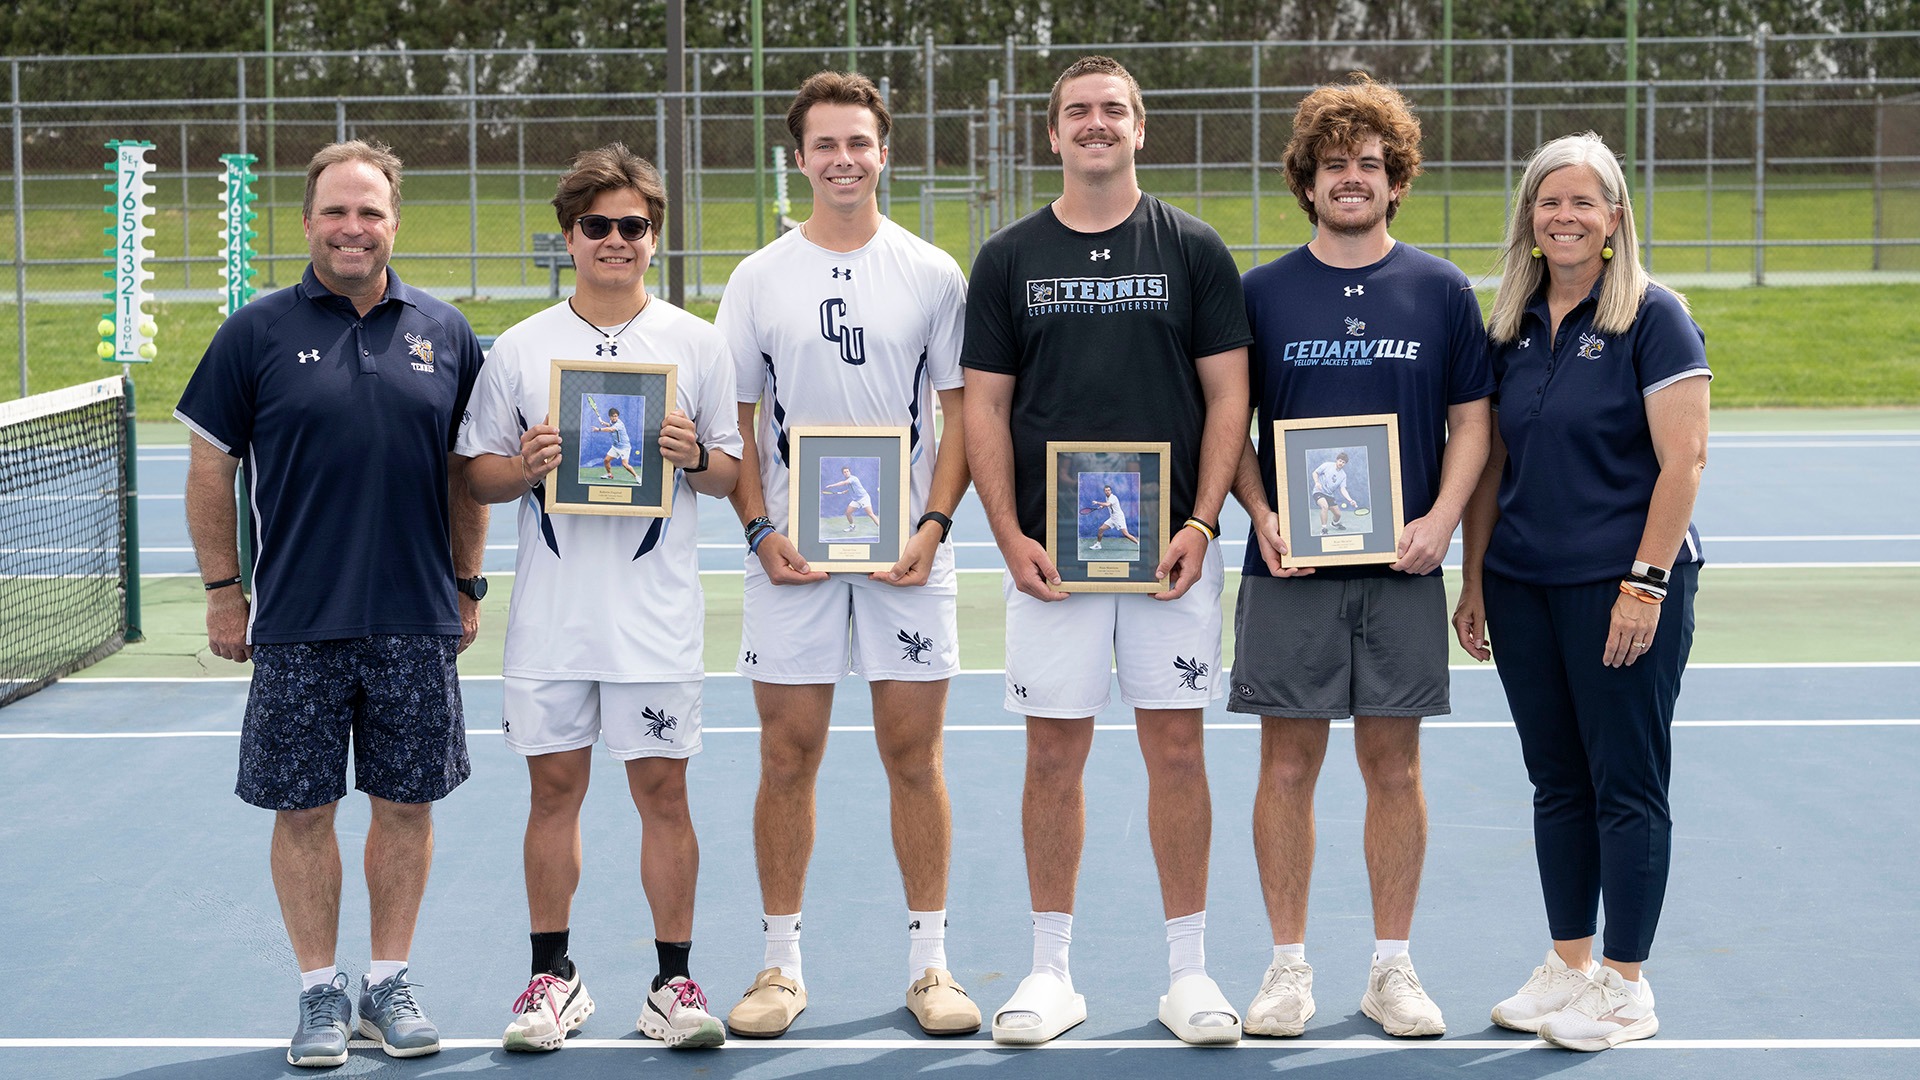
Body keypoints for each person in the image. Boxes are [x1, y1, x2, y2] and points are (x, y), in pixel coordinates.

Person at [175, 139, 489, 1068]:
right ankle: (321, 996)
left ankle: (388, 982)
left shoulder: (448, 328)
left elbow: (464, 476)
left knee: (405, 807)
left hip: (414, 616)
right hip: (298, 623)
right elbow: (209, 467)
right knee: (303, 812)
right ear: (308, 222)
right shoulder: (255, 332)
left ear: (395, 222)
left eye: (371, 212)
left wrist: (468, 584)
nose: (354, 228)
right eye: (336, 212)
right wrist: (224, 592)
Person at [961, 55, 1253, 1047]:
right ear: (1053, 134)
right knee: (1053, 753)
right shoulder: (1006, 257)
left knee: (1178, 749)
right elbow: (986, 407)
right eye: (1078, 112)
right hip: (1051, 557)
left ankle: (1190, 972)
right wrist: (1007, 536)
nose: (1096, 124)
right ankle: (1049, 973)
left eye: (1113, 111)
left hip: (1172, 550)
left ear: (1140, 128)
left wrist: (1204, 521)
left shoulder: (1195, 249)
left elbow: (1228, 397)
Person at [456, 143, 743, 1051]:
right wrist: (525, 465)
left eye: (634, 226)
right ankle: (553, 977)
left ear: (654, 236)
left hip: (654, 622)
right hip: (550, 621)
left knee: (664, 792)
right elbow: (475, 473)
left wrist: (695, 456)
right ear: (569, 236)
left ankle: (674, 985)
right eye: (598, 226)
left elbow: (733, 475)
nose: (616, 240)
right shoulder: (521, 348)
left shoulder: (698, 345)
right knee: (553, 793)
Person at [715, 70, 978, 1039]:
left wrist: (935, 527)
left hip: (909, 556)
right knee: (788, 757)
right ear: (799, 158)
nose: (842, 159)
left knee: (915, 755)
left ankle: (932, 965)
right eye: (824, 145)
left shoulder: (932, 271)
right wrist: (758, 530)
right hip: (791, 558)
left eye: (858, 142)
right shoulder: (758, 278)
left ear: (883, 151)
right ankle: (781, 966)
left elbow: (959, 418)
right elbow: (732, 426)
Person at [1228, 74, 1491, 1039]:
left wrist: (1441, 522)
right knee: (1286, 767)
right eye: (1333, 164)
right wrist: (1261, 511)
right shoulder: (1259, 292)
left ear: (1395, 180)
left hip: (1404, 570)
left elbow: (1473, 423)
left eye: (1369, 165)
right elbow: (1230, 427)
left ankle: (1391, 969)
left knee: (1395, 768)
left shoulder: (1442, 290)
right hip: (1289, 570)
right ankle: (1287, 968)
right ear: (1306, 180)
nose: (1351, 178)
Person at [1453, 131, 1710, 1052]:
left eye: (1582, 202)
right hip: (1524, 587)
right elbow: (1492, 468)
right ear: (1528, 219)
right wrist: (1475, 577)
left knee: (1626, 785)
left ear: (1613, 220)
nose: (1563, 216)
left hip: (1621, 588)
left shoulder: (1655, 316)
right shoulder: (1511, 325)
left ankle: (1627, 985)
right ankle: (1569, 967)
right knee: (1556, 782)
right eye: (1547, 202)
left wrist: (1644, 585)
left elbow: (1685, 461)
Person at [824, 466, 883, 533]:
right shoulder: (848, 480)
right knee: (848, 513)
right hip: (856, 500)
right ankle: (852, 526)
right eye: (844, 472)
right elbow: (852, 487)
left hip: (864, 498)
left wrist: (832, 486)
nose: (846, 473)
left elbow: (844, 483)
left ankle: (881, 529)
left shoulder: (853, 478)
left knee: (870, 514)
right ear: (843, 473)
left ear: (850, 472)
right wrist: (846, 491)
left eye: (847, 471)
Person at [1311, 452, 1355, 533]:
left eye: (1343, 462)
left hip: (1329, 494)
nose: (1341, 463)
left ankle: (1335, 524)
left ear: (1345, 464)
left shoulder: (1343, 475)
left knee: (1338, 514)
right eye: (1340, 461)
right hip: (1319, 491)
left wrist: (1350, 500)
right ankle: (1324, 529)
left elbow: (1343, 489)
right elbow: (1315, 473)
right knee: (1325, 506)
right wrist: (1317, 482)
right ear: (1337, 460)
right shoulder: (1327, 465)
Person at [594, 406, 640, 482]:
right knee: (606, 460)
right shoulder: (612, 422)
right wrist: (604, 423)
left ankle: (636, 476)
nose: (615, 418)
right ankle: (609, 474)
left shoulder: (619, 424)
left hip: (624, 447)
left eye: (616, 416)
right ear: (610, 417)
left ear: (617, 416)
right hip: (615, 447)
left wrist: (599, 429)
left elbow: (611, 429)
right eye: (613, 416)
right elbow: (610, 425)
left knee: (625, 465)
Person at [1085, 484, 1138, 549]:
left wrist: (1097, 503)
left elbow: (1107, 504)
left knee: (1126, 534)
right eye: (1106, 490)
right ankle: (1098, 545)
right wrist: (1102, 506)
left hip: (1119, 518)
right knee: (1101, 529)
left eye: (1109, 490)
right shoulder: (1107, 497)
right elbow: (1107, 504)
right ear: (1104, 492)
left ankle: (1138, 544)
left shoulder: (1113, 497)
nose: (1107, 491)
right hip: (1112, 518)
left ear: (1111, 491)